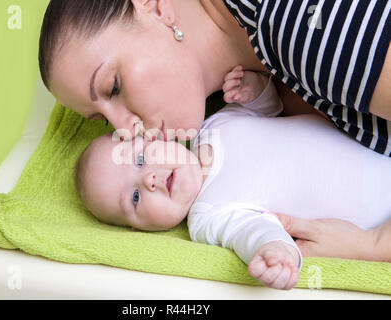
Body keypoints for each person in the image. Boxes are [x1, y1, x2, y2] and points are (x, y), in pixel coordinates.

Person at [39, 0, 391, 261]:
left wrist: (373, 245)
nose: (124, 132)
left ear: (156, 8)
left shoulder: (301, 27)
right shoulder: (259, 79)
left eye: (113, 87)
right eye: (102, 122)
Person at [74, 70, 391, 290]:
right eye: (134, 198)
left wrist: (254, 90)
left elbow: (269, 107)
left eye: (141, 159)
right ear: (138, 229)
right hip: (379, 214)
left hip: (378, 140)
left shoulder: (214, 125)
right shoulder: (209, 217)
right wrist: (274, 251)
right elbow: (252, 231)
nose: (150, 180)